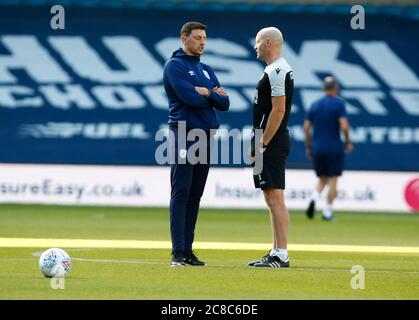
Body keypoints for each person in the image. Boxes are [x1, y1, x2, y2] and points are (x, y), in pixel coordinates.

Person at [163, 22, 229, 266]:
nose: (202, 42)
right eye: (198, 37)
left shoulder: (207, 69)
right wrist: (211, 95)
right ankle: (177, 252)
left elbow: (226, 103)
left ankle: (188, 251)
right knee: (181, 191)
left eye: (204, 38)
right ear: (184, 39)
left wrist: (208, 93)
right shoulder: (175, 66)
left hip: (205, 136)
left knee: (195, 194)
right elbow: (188, 97)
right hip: (184, 133)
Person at [248, 27, 294, 268]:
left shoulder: (277, 70)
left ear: (267, 43)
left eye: (257, 42)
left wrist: (263, 142)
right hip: (268, 140)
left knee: (275, 198)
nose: (254, 47)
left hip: (272, 142)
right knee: (271, 197)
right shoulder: (274, 69)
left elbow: (278, 110)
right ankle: (276, 251)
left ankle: (282, 254)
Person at [304, 76, 353, 221]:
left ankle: (313, 198)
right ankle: (327, 212)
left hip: (318, 146)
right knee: (333, 179)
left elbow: (306, 127)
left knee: (322, 179)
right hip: (334, 147)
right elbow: (344, 125)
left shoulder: (315, 105)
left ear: (323, 88)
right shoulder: (339, 104)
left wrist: (308, 145)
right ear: (336, 88)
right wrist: (348, 141)